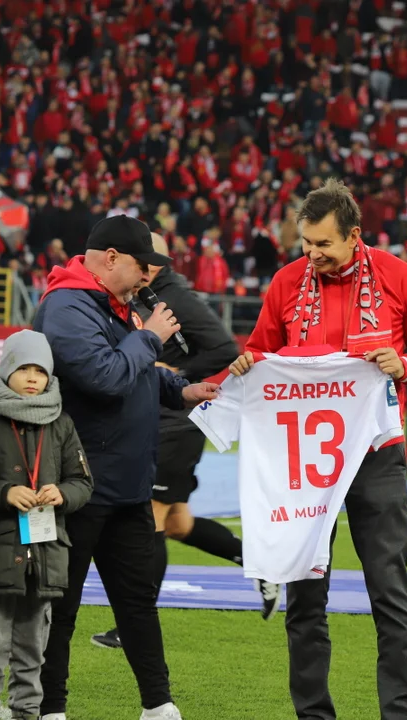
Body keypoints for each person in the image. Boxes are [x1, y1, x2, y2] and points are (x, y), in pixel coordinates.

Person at [228, 178, 407, 720]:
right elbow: (260, 347)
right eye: (305, 243)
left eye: (323, 245)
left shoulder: (397, 276)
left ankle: (403, 715)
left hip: (376, 454)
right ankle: (313, 715)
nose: (312, 255)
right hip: (305, 465)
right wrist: (249, 361)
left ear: (354, 236)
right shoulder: (286, 282)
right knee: (304, 601)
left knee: (390, 595)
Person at [33, 215, 218, 720]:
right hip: (75, 485)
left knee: (137, 604)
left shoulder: (115, 304)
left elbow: (135, 375)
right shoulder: (66, 304)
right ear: (110, 258)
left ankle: (158, 705)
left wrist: (181, 389)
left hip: (126, 484)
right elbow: (104, 376)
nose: (147, 279)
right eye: (142, 267)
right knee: (60, 606)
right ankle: (50, 708)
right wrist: (152, 338)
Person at [91, 234, 280, 652]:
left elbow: (224, 349)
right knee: (177, 523)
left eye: (143, 260)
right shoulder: (148, 293)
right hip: (170, 419)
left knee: (150, 518)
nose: (139, 267)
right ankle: (262, 566)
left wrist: (174, 371)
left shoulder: (176, 296)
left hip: (180, 421)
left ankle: (132, 625)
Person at [0, 330, 94, 720]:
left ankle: (28, 713)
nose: (32, 378)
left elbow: (83, 483)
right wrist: (4, 492)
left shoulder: (61, 422)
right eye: (23, 368)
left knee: (33, 652)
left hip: (45, 558)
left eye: (40, 371)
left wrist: (62, 493)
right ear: (6, 369)